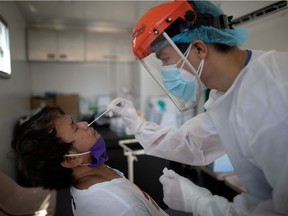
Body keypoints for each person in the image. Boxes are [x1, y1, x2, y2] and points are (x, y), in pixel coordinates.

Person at [107, 0, 288, 215]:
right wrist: (138, 125)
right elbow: (192, 143)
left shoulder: (273, 94)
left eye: (165, 59)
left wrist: (200, 204)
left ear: (199, 48)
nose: (165, 71)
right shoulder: (227, 94)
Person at [11, 106, 168, 216]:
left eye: (75, 121)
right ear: (71, 159)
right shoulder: (121, 206)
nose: (85, 124)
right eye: (75, 128)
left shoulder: (89, 177)